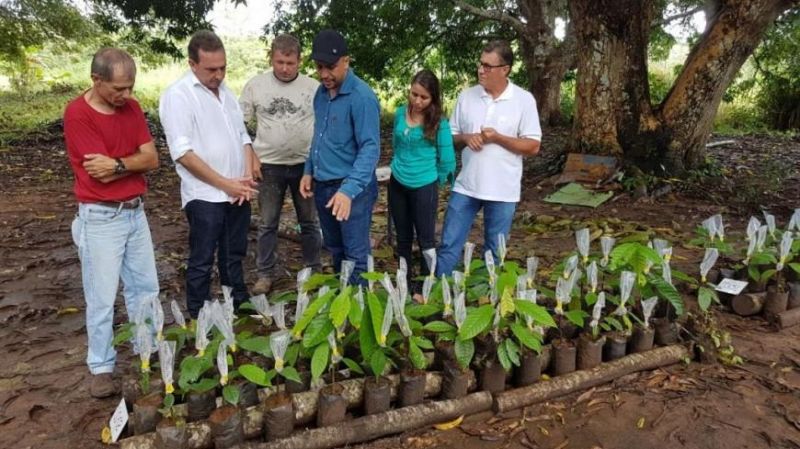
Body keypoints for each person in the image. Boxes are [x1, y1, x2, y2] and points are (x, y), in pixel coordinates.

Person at [64, 48, 160, 398]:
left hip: (135, 211)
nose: (127, 96)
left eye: (131, 87)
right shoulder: (78, 114)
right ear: (96, 80)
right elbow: (97, 174)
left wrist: (119, 164)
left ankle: (145, 350)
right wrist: (130, 162)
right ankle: (101, 365)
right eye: (119, 88)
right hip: (100, 216)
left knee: (146, 288)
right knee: (102, 295)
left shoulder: (131, 108)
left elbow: (152, 158)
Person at [160, 30, 259, 318]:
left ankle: (237, 304)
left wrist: (250, 159)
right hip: (205, 194)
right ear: (192, 64)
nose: (219, 75)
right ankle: (199, 314)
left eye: (223, 68)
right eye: (211, 69)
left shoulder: (226, 92)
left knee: (234, 253)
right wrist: (225, 184)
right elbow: (183, 153)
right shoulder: (178, 96)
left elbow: (240, 133)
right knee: (203, 257)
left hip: (238, 189)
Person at [436, 40, 542, 276]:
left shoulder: (523, 100)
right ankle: (436, 295)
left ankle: (487, 301)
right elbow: (450, 136)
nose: (481, 70)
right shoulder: (467, 96)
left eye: (488, 66)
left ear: (505, 69)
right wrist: (466, 137)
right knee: (449, 244)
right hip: (466, 185)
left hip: (503, 191)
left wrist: (498, 138)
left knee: (495, 251)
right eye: (480, 64)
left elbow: (533, 146)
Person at [240, 34, 322, 294]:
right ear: (271, 59)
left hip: (304, 165)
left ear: (299, 61)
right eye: (279, 62)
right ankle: (265, 274)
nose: (284, 68)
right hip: (269, 165)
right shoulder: (256, 86)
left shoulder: (313, 87)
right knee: (267, 222)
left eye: (290, 62)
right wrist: (249, 155)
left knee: (309, 221)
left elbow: (325, 123)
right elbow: (239, 124)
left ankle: (313, 269)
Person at [300, 29, 380, 285]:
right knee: (335, 250)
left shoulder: (362, 97)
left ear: (346, 61)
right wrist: (309, 169)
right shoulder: (321, 94)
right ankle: (341, 306)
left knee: (356, 255)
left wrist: (348, 191)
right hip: (323, 185)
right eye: (319, 67)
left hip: (352, 189)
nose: (324, 74)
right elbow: (319, 134)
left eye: (331, 67)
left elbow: (370, 148)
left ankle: (359, 314)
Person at [389, 69, 455, 286]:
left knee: (426, 239)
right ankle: (404, 281)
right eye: (414, 94)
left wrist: (436, 179)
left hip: (424, 185)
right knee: (403, 237)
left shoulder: (439, 122)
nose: (417, 101)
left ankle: (425, 285)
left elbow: (446, 159)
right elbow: (396, 144)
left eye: (424, 97)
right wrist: (398, 165)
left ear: (433, 98)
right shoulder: (400, 113)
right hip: (397, 181)